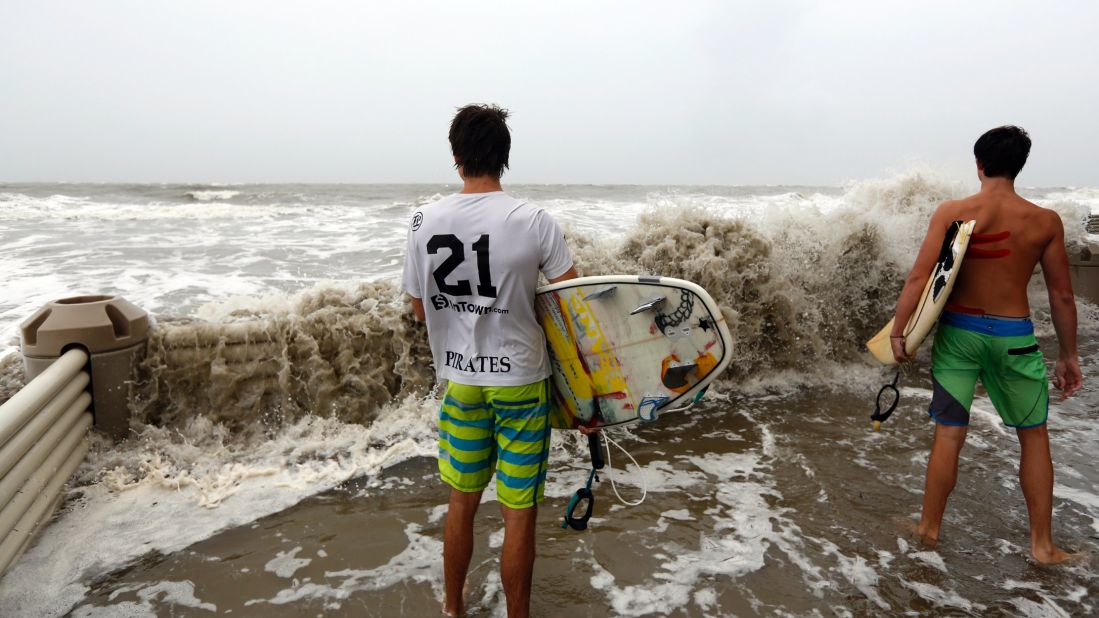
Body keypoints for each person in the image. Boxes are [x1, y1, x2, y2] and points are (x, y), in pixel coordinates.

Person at [402, 104, 578, 617]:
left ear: (456, 158)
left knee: (462, 502)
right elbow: (572, 313)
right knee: (519, 513)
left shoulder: (422, 220)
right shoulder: (535, 221)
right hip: (522, 382)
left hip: (460, 381)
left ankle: (452, 608)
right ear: (504, 158)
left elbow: (418, 307)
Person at [889, 125, 1083, 564]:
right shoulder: (1044, 221)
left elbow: (921, 278)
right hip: (1014, 337)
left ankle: (929, 528)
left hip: (959, 336)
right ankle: (1043, 547)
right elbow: (1062, 295)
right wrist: (1068, 355)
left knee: (949, 433)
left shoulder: (953, 211)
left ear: (978, 164)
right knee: (1033, 437)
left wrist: (899, 331)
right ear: (1020, 166)